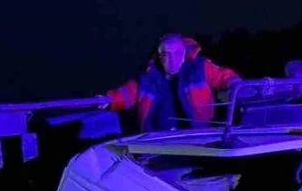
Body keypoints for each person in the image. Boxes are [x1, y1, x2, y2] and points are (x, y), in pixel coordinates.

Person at [102, 33, 241, 131]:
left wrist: (235, 84)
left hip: (198, 139)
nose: (172, 59)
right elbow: (126, 93)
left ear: (184, 52)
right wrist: (107, 100)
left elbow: (223, 75)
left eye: (177, 53)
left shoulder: (199, 67)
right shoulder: (147, 78)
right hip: (158, 144)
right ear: (159, 55)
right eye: (166, 54)